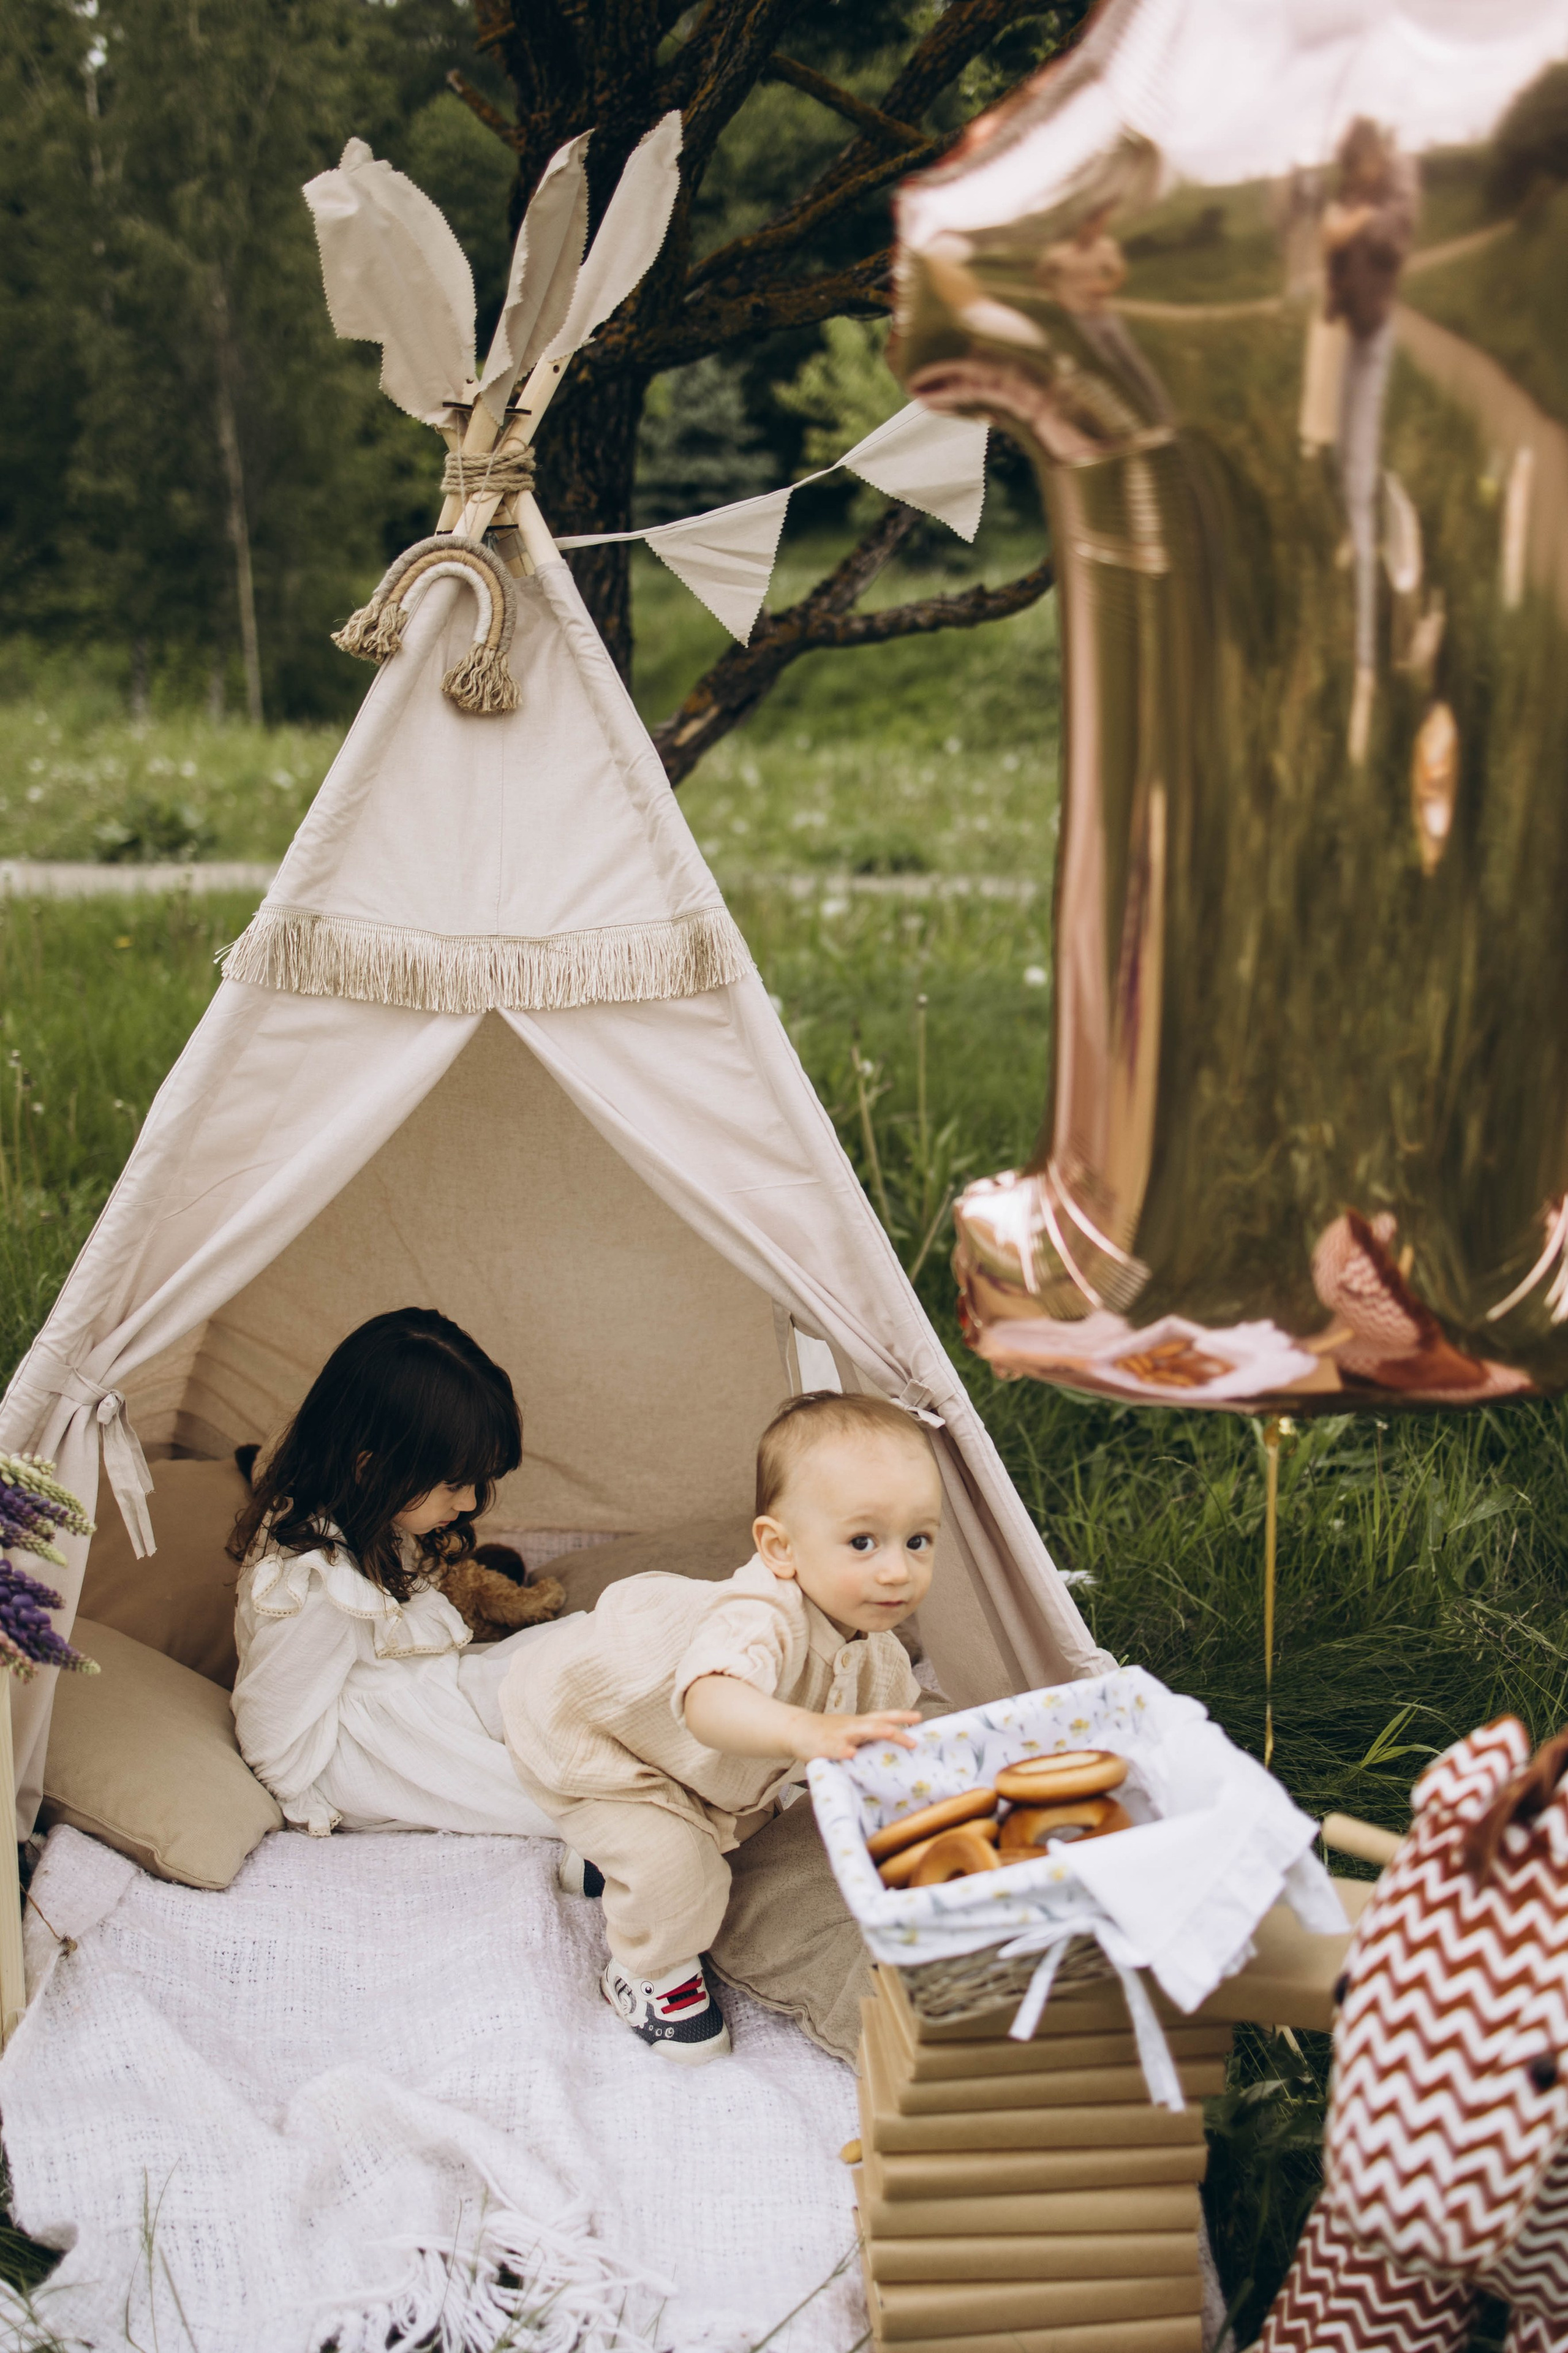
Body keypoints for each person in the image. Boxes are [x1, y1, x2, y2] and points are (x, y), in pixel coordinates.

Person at [499, 1390, 940, 2065]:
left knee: (719, 1819)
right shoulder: (759, 1615)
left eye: (918, 1541)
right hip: (590, 1732)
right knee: (683, 1872)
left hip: (673, 1754)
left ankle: (604, 1857)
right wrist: (801, 1732)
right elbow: (709, 1701)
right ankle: (642, 1975)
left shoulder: (876, 1651)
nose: (896, 1569)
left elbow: (895, 1735)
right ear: (778, 1547)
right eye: (862, 1540)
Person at [228, 1307, 560, 1839]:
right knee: (551, 1795)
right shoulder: (319, 1587)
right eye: (454, 1484)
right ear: (369, 1468)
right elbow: (270, 1734)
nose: (472, 1500)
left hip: (417, 1698)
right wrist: (311, 1802)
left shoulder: (365, 1519)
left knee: (592, 1641)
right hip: (377, 1755)